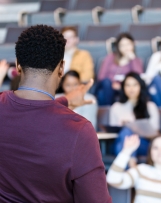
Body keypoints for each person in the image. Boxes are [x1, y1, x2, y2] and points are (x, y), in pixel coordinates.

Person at [0, 25, 111, 202]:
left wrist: (65, 100)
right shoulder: (80, 131)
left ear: (18, 65)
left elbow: (26, 115)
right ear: (61, 68)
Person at [107, 134, 161, 203]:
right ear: (150, 152)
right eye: (155, 148)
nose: (159, 151)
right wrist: (126, 151)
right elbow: (112, 179)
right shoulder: (141, 170)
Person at [110, 72, 159, 167]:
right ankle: (132, 165)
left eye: (135, 85)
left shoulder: (150, 107)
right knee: (125, 133)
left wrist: (135, 128)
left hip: (143, 144)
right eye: (128, 85)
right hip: (121, 141)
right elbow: (113, 132)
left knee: (126, 135)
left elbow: (155, 134)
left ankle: (128, 174)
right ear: (123, 88)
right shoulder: (116, 107)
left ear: (141, 86)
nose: (131, 89)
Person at [96, 33, 143, 105]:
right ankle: (108, 109)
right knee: (106, 83)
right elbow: (101, 77)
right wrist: (113, 83)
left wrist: (133, 59)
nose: (126, 48)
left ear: (133, 45)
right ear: (118, 47)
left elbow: (138, 78)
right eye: (122, 45)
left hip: (125, 88)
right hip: (108, 86)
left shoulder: (136, 60)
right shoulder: (110, 57)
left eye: (128, 44)